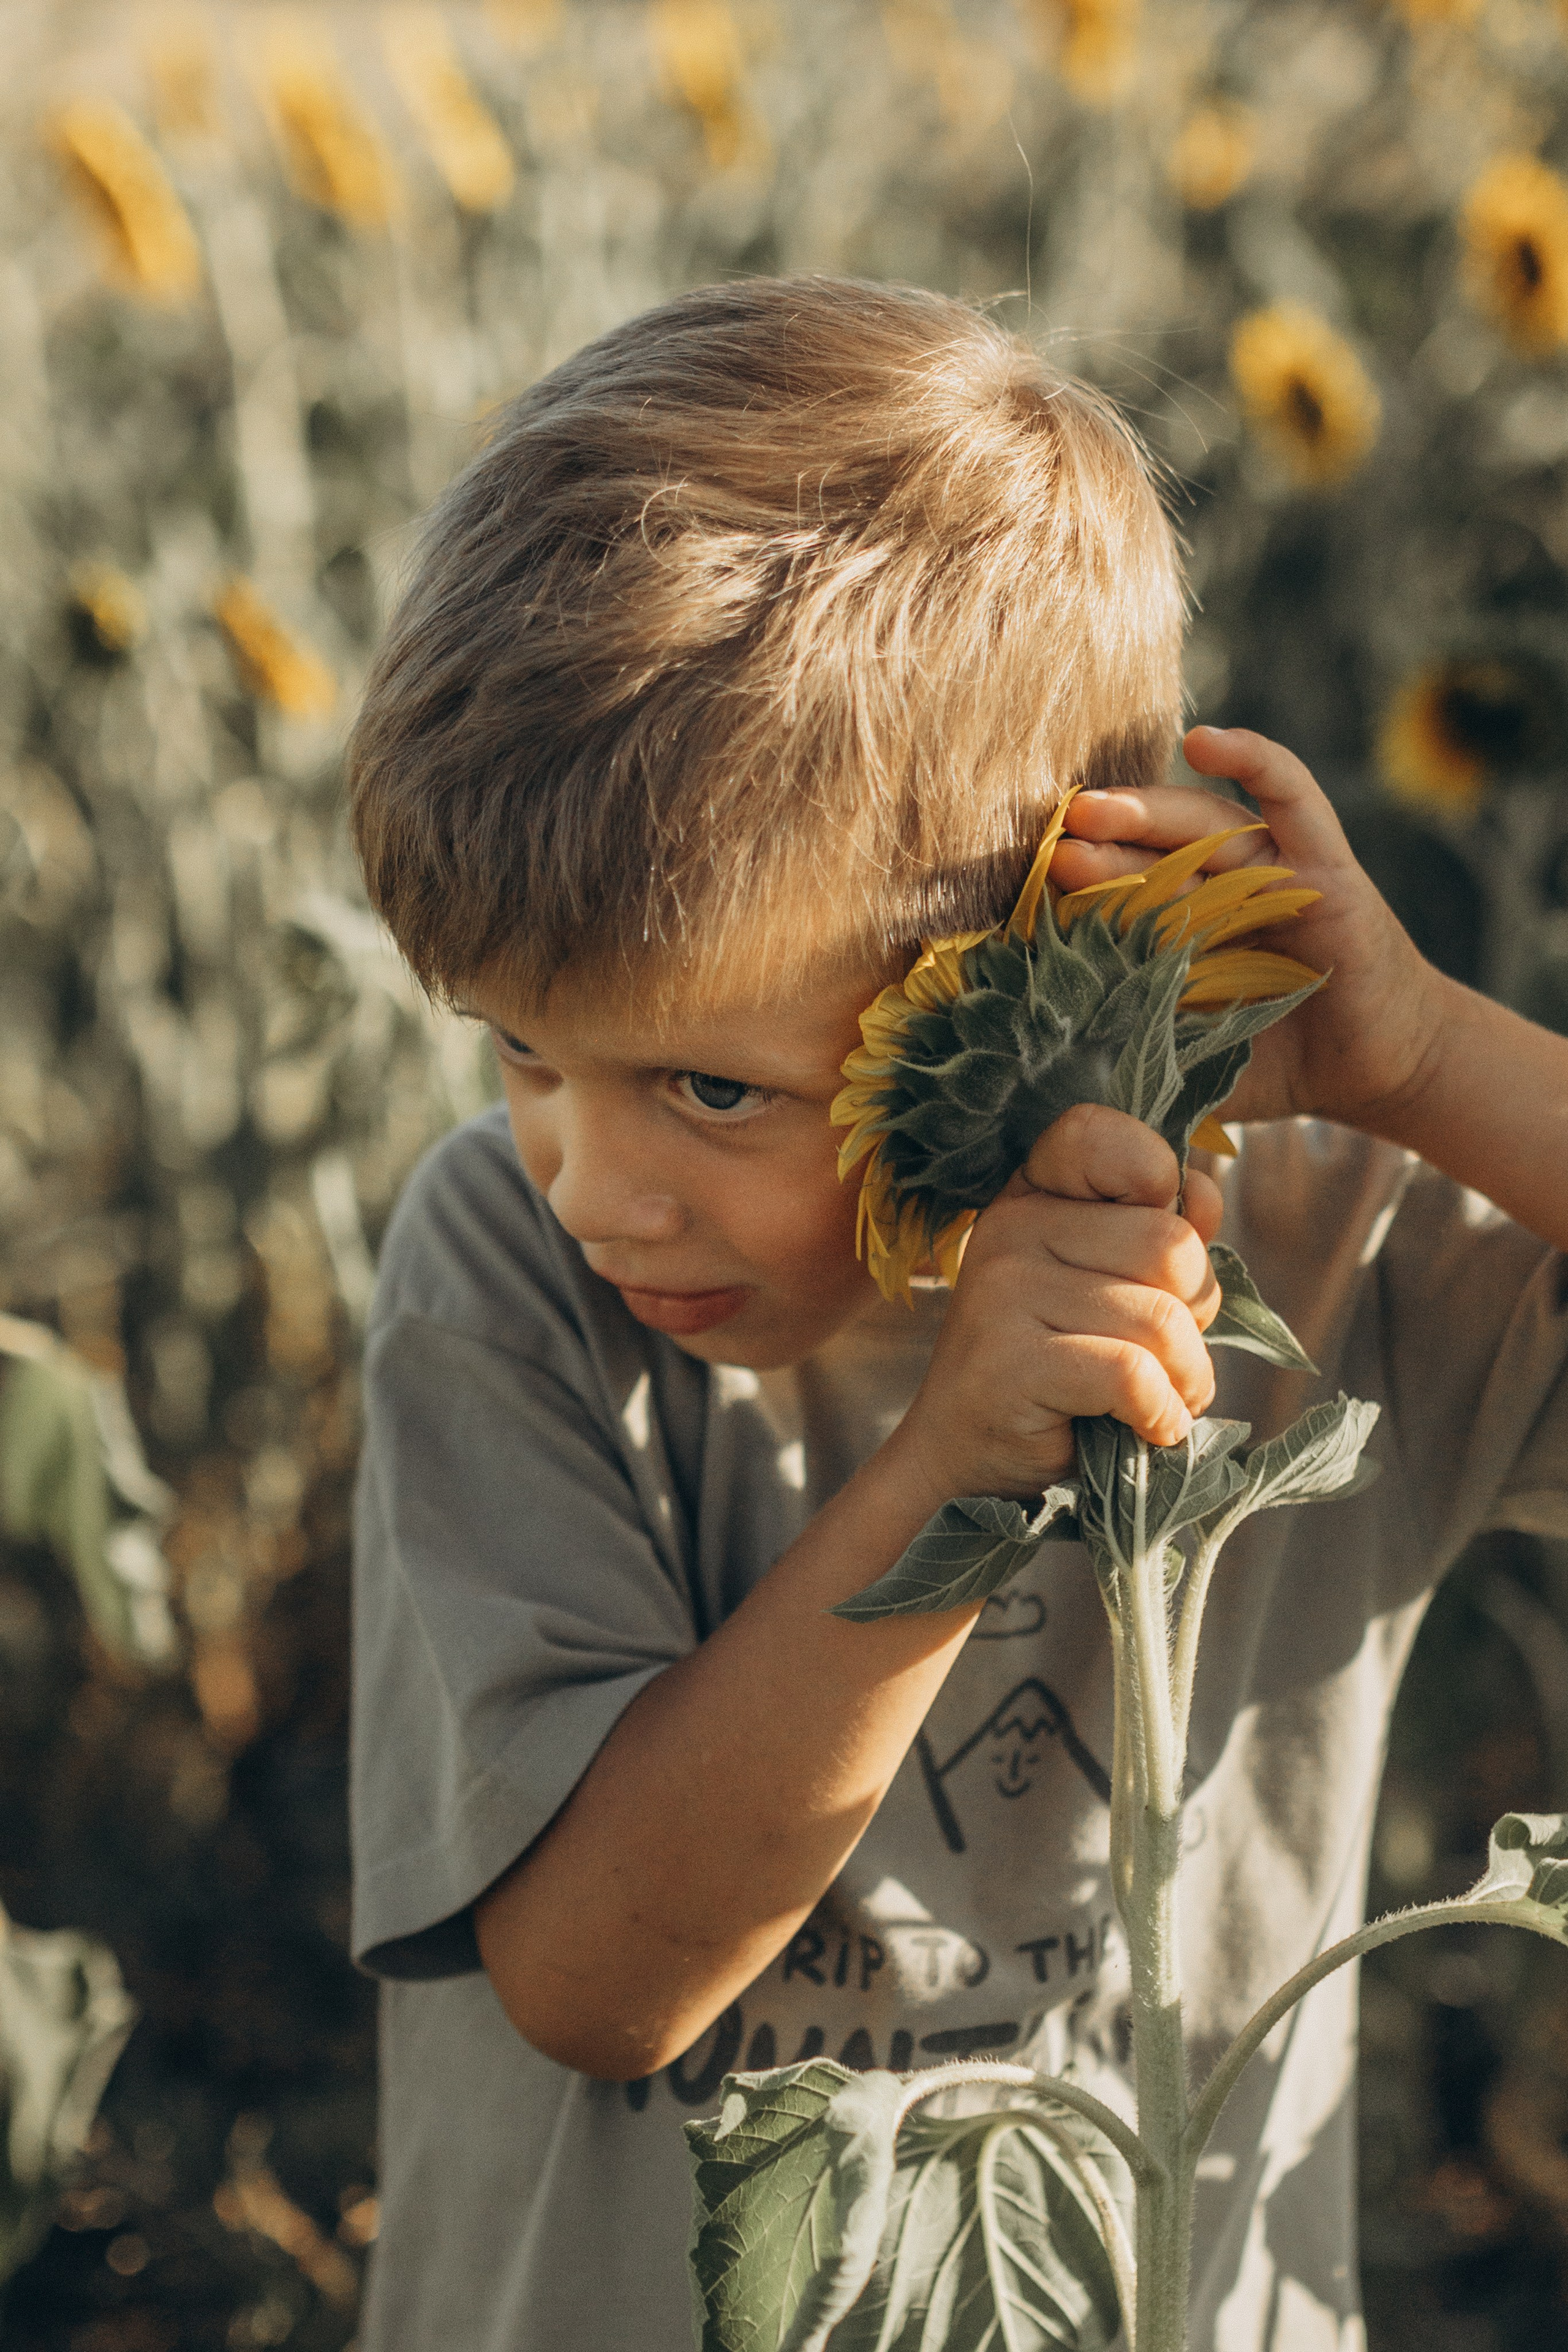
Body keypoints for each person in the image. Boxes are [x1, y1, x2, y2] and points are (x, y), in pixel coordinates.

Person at [344, 276, 1568, 2352]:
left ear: (1035, 958)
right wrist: (956, 1463)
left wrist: (1422, 1056)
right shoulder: (505, 1272)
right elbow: (596, 1985)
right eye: (520, 1053)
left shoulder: (1335, 1244)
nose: (592, 1180)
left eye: (714, 1089)